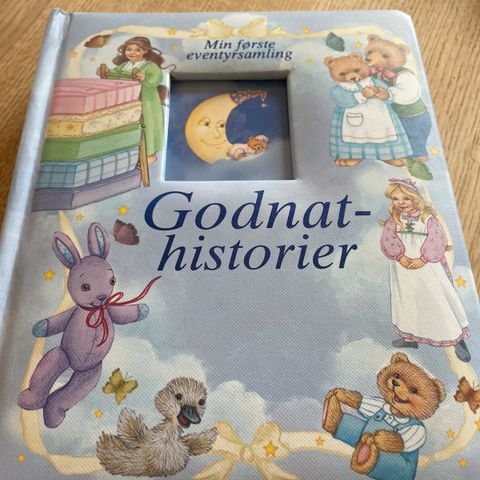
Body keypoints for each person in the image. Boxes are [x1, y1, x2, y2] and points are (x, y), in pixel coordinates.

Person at [380, 178, 471, 362]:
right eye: (396, 199)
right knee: (407, 300)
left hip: (427, 267)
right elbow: (388, 239)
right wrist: (400, 256)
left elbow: (437, 241)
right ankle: (410, 336)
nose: (401, 203)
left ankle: (456, 339)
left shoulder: (427, 219)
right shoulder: (395, 220)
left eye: (406, 198)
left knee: (437, 300)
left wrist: (423, 259)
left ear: (416, 198)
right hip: (403, 269)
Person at [98, 37, 166, 163]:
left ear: (145, 51)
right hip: (128, 101)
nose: (132, 53)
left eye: (137, 50)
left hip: (146, 102)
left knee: (146, 125)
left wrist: (145, 78)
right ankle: (132, 153)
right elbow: (112, 75)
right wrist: (106, 72)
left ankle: (149, 153)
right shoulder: (124, 66)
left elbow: (157, 78)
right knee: (130, 126)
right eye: (129, 49)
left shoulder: (150, 66)